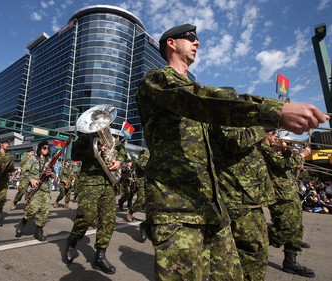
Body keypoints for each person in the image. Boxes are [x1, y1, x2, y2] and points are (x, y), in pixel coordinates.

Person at [136, 23, 328, 280]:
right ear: (171, 43)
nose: (198, 42)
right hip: (178, 209)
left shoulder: (197, 95)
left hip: (212, 204)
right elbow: (199, 99)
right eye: (191, 37)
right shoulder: (157, 80)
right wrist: (273, 112)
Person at [209, 126, 274, 281]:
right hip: (237, 197)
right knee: (251, 251)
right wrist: (264, 124)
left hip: (245, 196)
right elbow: (237, 141)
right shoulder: (224, 112)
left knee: (254, 251)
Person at [64, 132, 127, 275]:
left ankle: (100, 256)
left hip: (109, 183)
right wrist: (95, 150)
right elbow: (75, 154)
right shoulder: (85, 137)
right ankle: (73, 239)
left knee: (108, 220)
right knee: (86, 216)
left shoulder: (111, 139)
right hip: (90, 182)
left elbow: (122, 153)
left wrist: (119, 162)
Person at [260, 130, 315, 278]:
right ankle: (251, 239)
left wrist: (288, 153)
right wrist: (301, 155)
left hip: (289, 193)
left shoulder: (273, 150)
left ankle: (291, 262)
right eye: (272, 133)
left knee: (296, 229)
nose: (276, 137)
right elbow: (282, 164)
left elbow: (286, 165)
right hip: (280, 196)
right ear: (263, 134)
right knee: (285, 230)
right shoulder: (263, 149)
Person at [15, 141, 55, 241]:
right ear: (40, 148)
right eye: (44, 148)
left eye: (48, 148)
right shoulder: (32, 159)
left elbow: (54, 175)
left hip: (45, 189)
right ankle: (22, 223)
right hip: (34, 189)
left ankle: (39, 230)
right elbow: (24, 171)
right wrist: (31, 179)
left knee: (44, 212)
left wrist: (51, 173)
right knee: (32, 210)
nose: (46, 150)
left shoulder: (50, 161)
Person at [126, 149, 149, 222]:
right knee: (141, 199)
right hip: (142, 182)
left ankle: (150, 220)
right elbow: (143, 166)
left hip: (152, 182)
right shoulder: (141, 159)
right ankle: (131, 211)